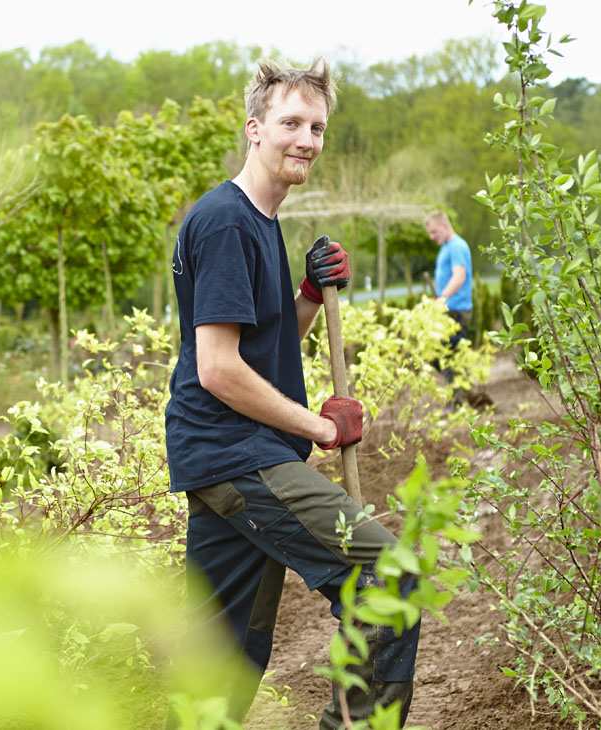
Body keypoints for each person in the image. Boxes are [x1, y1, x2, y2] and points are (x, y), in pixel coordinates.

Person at [165, 57, 420, 729]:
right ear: (254, 128)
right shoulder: (225, 222)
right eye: (289, 123)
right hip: (239, 456)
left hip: (218, 457)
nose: (305, 138)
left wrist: (306, 296)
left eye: (316, 126)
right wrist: (319, 426)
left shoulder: (257, 221)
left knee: (223, 657)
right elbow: (218, 370)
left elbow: (259, 351)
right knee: (387, 576)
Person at [423, 210, 473, 405]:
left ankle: (459, 401)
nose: (431, 237)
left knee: (451, 357)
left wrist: (442, 298)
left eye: (434, 232)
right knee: (441, 355)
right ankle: (460, 395)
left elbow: (459, 276)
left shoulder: (457, 247)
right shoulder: (447, 247)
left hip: (456, 310)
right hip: (448, 308)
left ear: (445, 226)